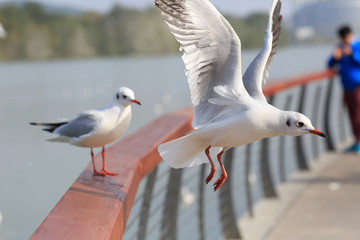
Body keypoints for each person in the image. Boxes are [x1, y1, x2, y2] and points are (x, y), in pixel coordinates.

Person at [328, 25, 360, 153]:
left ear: (350, 36)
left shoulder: (357, 46)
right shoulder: (340, 48)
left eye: (345, 38)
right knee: (352, 114)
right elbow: (330, 64)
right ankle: (357, 140)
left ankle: (358, 141)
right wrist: (335, 57)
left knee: (358, 114)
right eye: (342, 39)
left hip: (357, 86)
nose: (344, 41)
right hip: (347, 87)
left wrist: (352, 54)